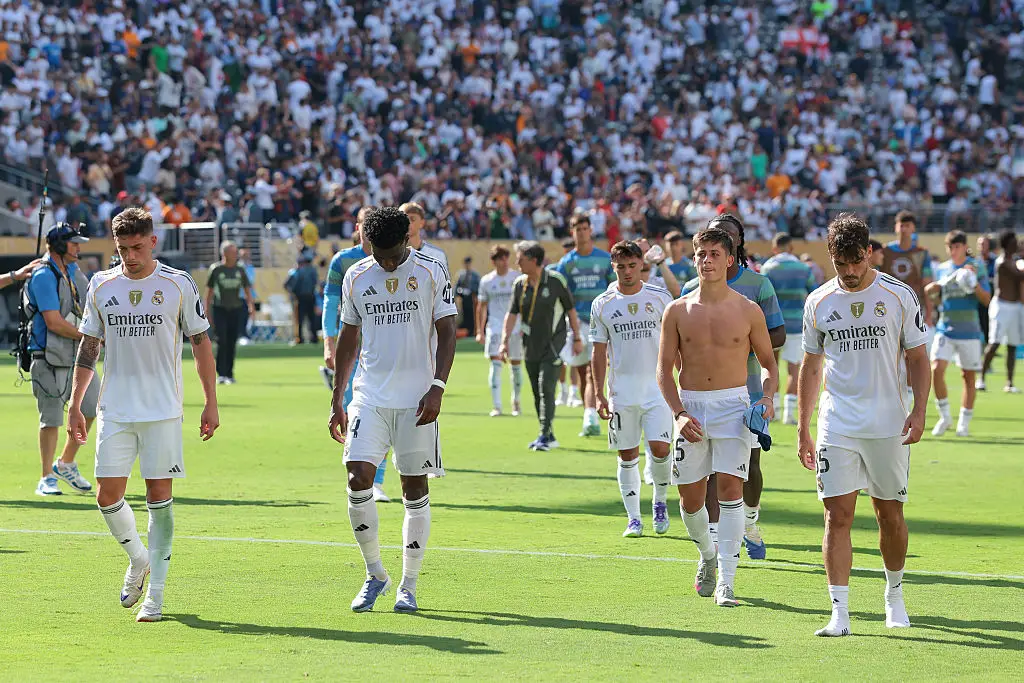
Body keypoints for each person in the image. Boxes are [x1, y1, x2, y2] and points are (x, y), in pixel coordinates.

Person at [68, 207, 220, 622]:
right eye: (122, 249)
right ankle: (139, 559)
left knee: (160, 500)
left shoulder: (177, 283)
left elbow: (201, 343)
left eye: (137, 247)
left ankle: (156, 594)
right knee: (106, 495)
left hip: (162, 411)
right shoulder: (101, 285)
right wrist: (76, 402)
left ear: (153, 241)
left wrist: (211, 400)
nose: (129, 256)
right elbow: (89, 347)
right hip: (115, 409)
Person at [797, 213, 930, 637]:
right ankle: (839, 612)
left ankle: (894, 595)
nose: (850, 272)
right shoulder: (818, 301)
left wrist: (921, 409)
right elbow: (811, 367)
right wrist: (804, 426)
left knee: (889, 514)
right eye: (841, 264)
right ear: (830, 257)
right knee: (837, 515)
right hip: (838, 423)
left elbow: (918, 357)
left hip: (889, 422)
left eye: (857, 261)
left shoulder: (898, 295)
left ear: (870, 252)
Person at [328, 206, 457, 614]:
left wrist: (437, 386)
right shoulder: (357, 276)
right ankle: (374, 573)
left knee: (413, 488)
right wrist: (338, 394)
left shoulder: (432, 270)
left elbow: (448, 329)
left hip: (418, 398)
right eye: (376, 252)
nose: (384, 261)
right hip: (369, 396)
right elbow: (349, 334)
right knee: (357, 476)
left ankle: (408, 584)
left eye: (391, 253)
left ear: (407, 240)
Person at [657, 225, 778, 607]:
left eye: (713, 254)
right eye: (700, 254)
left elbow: (770, 366)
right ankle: (707, 556)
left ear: (729, 259)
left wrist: (768, 399)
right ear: (693, 259)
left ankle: (727, 580)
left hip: (733, 407)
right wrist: (677, 414)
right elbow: (663, 370)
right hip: (691, 407)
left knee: (729, 491)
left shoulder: (748, 310)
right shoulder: (676, 310)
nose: (706, 261)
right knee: (690, 500)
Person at [681, 214, 785, 561]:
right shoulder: (687, 293)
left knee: (750, 466)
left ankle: (750, 523)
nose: (712, 250)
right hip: (701, 398)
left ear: (735, 244)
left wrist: (740, 345)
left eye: (726, 236)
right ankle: (714, 545)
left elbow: (779, 334)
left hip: (749, 390)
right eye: (705, 246)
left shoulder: (758, 286)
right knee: (710, 474)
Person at [591, 241, 674, 538]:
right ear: (613, 267)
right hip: (622, 393)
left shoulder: (661, 297)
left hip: (658, 390)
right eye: (620, 267)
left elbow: (676, 340)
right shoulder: (602, 303)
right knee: (627, 455)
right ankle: (634, 518)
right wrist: (598, 393)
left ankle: (660, 503)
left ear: (641, 264)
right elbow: (598, 352)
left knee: (661, 450)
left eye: (631, 265)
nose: (627, 272)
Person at [323, 212, 392, 501]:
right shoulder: (343, 261)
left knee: (384, 407)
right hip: (351, 348)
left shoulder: (393, 258)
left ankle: (376, 479)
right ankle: (360, 473)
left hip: (382, 347)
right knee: (355, 407)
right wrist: (329, 342)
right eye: (365, 224)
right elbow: (331, 301)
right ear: (358, 228)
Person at [24, 225, 97, 495]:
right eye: (74, 243)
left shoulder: (73, 271)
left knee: (90, 409)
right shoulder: (43, 275)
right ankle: (46, 476)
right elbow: (53, 322)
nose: (79, 247)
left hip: (76, 354)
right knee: (51, 419)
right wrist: (88, 337)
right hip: (48, 356)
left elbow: (91, 297)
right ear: (58, 246)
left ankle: (65, 463)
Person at [502, 241, 581, 451]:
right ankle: (548, 433)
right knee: (537, 392)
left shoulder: (555, 281)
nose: (517, 262)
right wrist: (504, 342)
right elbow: (511, 314)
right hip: (530, 345)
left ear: (534, 260)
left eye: (521, 258)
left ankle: (544, 435)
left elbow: (570, 310)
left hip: (554, 343)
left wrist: (578, 338)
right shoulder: (519, 284)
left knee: (547, 386)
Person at [925, 231, 991, 436]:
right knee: (936, 368)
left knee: (968, 376)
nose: (953, 251)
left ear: (964, 247)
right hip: (946, 328)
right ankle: (944, 417)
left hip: (969, 331)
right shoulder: (943, 269)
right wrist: (933, 292)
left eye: (957, 247)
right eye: (950, 247)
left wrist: (974, 284)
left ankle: (964, 422)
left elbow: (986, 299)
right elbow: (938, 299)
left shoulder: (976, 267)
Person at [554, 214, 614, 437]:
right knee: (582, 372)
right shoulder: (567, 262)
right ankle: (589, 412)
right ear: (572, 232)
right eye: (577, 229)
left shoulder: (604, 258)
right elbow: (562, 295)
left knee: (592, 371)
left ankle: (591, 418)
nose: (581, 232)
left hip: (600, 322)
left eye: (584, 228)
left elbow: (612, 289)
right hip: (577, 323)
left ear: (591, 231)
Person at [761, 233, 818, 425]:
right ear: (791, 247)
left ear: (774, 248)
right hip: (796, 324)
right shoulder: (803, 268)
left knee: (771, 366)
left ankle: (773, 410)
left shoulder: (767, 267)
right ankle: (789, 414)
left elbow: (761, 297)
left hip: (772, 325)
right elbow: (814, 293)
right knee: (795, 369)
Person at [476, 245, 524, 417]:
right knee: (495, 365)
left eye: (505, 258)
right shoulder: (487, 281)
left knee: (516, 366)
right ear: (493, 261)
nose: (504, 262)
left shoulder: (517, 278)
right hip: (495, 327)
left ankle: (516, 402)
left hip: (516, 326)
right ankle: (497, 406)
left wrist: (525, 324)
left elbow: (524, 304)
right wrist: (480, 331)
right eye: (500, 258)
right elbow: (481, 307)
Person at [980, 231, 1024, 393]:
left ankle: (1009, 383)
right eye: (1014, 241)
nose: (1017, 244)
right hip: (1002, 307)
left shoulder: (1013, 261)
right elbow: (1020, 275)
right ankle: (982, 378)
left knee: (1012, 346)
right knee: (995, 343)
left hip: (1015, 307)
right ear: (1007, 244)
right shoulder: (1002, 262)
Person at [205, 241, 254, 384]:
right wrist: (207, 310)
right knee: (222, 340)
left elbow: (246, 289)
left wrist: (251, 306)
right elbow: (209, 292)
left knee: (232, 341)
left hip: (236, 308)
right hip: (220, 309)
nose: (236, 255)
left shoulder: (240, 270)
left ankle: (230, 373)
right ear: (225, 254)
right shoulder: (216, 269)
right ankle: (221, 373)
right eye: (233, 253)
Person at [881, 210, 934, 337]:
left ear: (913, 228)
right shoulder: (885, 251)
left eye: (907, 225)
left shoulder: (921, 253)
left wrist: (929, 315)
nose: (904, 229)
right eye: (901, 225)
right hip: (888, 306)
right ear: (895, 227)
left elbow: (927, 284)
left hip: (914, 305)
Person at [554, 237, 581, 407]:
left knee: (576, 357)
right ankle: (562, 390)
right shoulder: (560, 269)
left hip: (579, 316)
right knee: (562, 357)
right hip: (562, 318)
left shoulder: (580, 270)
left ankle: (573, 392)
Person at [401, 202, 448, 272]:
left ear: (422, 223)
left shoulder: (437, 255)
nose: (407, 223)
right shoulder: (391, 253)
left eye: (412, 219)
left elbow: (443, 282)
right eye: (404, 219)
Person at [285, 253, 319, 344]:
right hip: (310, 297)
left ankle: (300, 338)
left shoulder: (296, 271)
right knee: (311, 319)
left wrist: (292, 293)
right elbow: (315, 283)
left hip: (299, 298)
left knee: (299, 320)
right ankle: (313, 338)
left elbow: (287, 285)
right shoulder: (313, 270)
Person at [976, 235, 997, 344]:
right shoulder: (976, 261)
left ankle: (991, 342)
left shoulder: (995, 260)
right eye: (979, 244)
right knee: (981, 319)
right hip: (980, 295)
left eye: (983, 244)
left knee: (991, 320)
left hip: (993, 295)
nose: (981, 246)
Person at [455, 256, 481, 337]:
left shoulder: (475, 275)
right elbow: (457, 287)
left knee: (472, 315)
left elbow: (478, 287)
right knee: (464, 315)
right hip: (464, 299)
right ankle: (467, 331)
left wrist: (471, 291)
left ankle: (473, 331)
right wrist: (460, 292)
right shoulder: (461, 274)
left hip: (472, 299)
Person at [237, 248, 257, 344]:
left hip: (248, 296)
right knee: (240, 316)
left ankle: (245, 334)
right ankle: (241, 335)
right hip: (238, 296)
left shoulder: (250, 267)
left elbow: (251, 282)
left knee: (247, 316)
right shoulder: (237, 267)